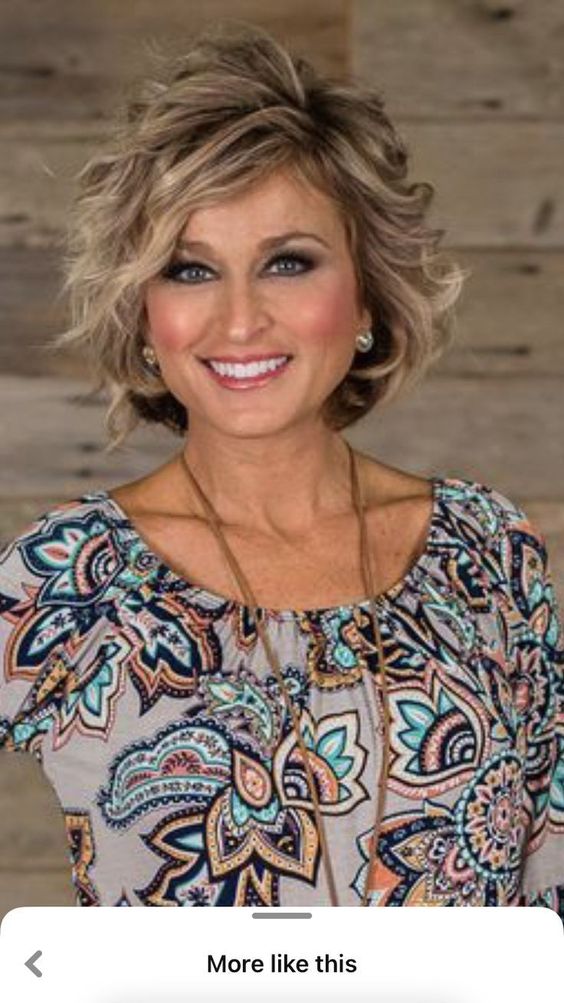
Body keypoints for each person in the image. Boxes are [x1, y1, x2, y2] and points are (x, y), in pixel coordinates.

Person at [1, 22, 562, 911]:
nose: (239, 320)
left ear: (367, 295)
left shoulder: (486, 551)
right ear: (143, 315)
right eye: (190, 271)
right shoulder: (66, 579)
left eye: (287, 263)